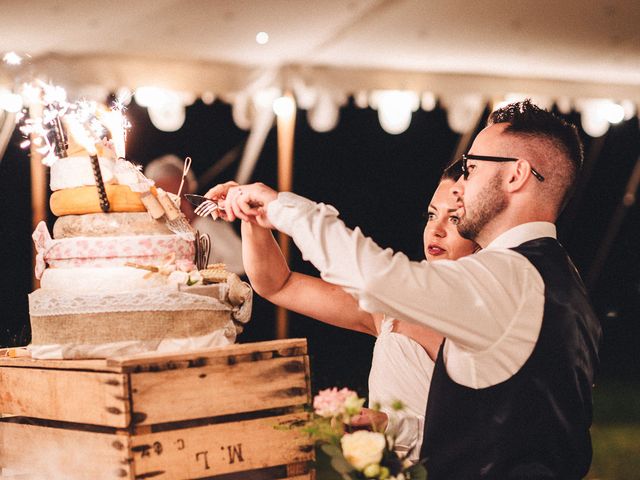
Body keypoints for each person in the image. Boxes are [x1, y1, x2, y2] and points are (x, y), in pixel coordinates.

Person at [207, 100, 601, 479]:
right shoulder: (561, 282)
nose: (465, 180)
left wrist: (280, 207)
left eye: (472, 166)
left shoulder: (509, 276)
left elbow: (376, 277)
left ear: (515, 175)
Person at [213, 167, 477, 462]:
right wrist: (252, 219)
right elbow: (278, 284)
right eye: (432, 215)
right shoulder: (392, 306)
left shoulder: (497, 320)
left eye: (455, 218)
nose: (437, 229)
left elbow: (489, 438)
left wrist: (390, 427)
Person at [144, 155, 245, 275]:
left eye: (183, 196)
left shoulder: (206, 227)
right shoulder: (145, 232)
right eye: (168, 199)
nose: (177, 205)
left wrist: (196, 222)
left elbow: (241, 264)